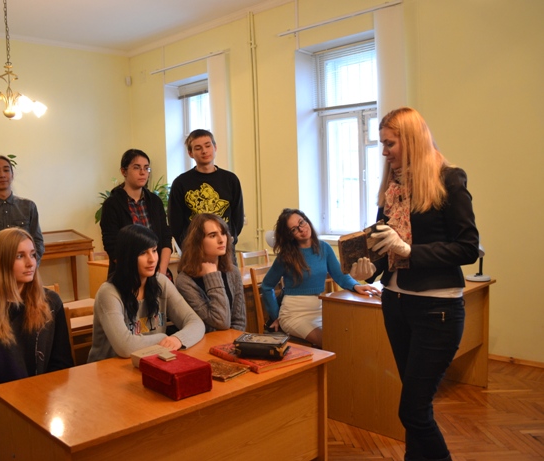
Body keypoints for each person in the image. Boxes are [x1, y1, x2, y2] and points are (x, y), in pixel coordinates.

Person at [363, 107, 479, 461]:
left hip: (436, 309)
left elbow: (468, 247)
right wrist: (367, 267)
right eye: (382, 144)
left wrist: (410, 251)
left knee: (412, 411)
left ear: (411, 140)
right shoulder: (392, 186)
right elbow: (383, 247)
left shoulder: (449, 179)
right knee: (417, 409)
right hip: (396, 303)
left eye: (390, 143)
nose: (384, 152)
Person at [0, 227, 73, 461]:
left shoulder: (51, 303)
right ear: (0, 262)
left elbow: (62, 366)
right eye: (20, 256)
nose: (31, 263)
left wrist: (44, 408)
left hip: (48, 409)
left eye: (32, 254)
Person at [261, 208, 379, 347]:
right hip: (294, 314)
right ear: (290, 235)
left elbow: (340, 276)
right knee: (330, 342)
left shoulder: (324, 248)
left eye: (301, 222)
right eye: (294, 229)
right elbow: (266, 286)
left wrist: (356, 285)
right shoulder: (286, 256)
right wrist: (275, 315)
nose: (301, 229)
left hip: (320, 310)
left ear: (306, 220)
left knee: (346, 335)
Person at [87, 224, 205, 362]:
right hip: (108, 368)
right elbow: (125, 347)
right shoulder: (108, 293)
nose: (152, 259)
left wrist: (178, 339)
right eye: (143, 253)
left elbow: (196, 323)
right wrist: (164, 339)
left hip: (149, 362)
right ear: (127, 256)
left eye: (154, 251)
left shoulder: (161, 282)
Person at [100, 149, 173, 278]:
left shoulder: (155, 201)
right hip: (127, 275)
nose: (142, 172)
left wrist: (161, 272)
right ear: (124, 171)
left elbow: (165, 238)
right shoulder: (112, 204)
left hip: (157, 273)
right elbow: (112, 246)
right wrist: (137, 276)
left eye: (146, 168)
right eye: (136, 167)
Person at [168, 129, 244, 249]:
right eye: (198, 148)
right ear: (190, 153)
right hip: (194, 250)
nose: (204, 151)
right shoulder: (180, 183)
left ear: (215, 147)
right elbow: (175, 222)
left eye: (208, 146)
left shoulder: (230, 179)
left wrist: (230, 239)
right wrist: (187, 245)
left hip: (225, 248)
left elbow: (237, 217)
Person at [175, 214, 246, 332]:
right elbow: (221, 321)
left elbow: (239, 321)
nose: (221, 240)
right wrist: (212, 277)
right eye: (212, 235)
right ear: (197, 242)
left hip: (231, 340)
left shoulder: (233, 272)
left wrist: (233, 341)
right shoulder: (185, 281)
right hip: (204, 341)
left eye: (223, 233)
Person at [0, 155, 45, 270]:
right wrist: (1, 274)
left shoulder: (28, 206)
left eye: (6, 170)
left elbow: (38, 243)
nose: (2, 175)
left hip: (27, 274)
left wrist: (29, 268)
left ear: (12, 175)